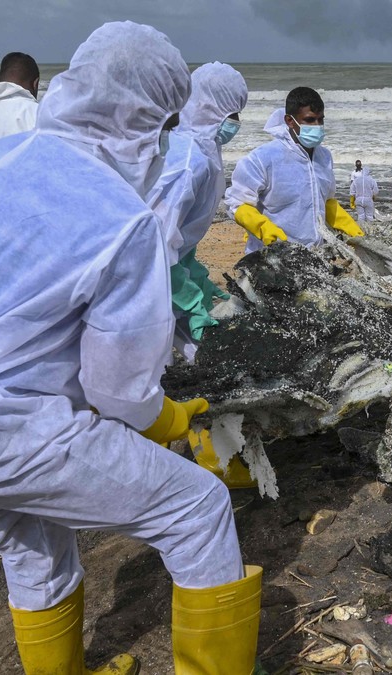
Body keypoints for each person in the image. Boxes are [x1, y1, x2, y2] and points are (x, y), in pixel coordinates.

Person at [0, 22, 259, 675]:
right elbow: (118, 392)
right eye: (164, 125)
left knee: (32, 543)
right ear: (145, 121)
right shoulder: (119, 216)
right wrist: (172, 419)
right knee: (196, 507)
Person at [146, 62, 255, 490]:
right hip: (151, 280)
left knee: (184, 364)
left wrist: (200, 281)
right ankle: (208, 462)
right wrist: (190, 302)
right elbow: (157, 242)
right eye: (232, 113)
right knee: (187, 365)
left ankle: (209, 456)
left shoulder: (203, 150)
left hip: (169, 273)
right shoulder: (188, 159)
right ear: (212, 108)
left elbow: (182, 243)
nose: (236, 123)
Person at [225, 86, 362, 253]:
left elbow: (325, 201)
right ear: (290, 121)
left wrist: (348, 225)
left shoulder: (324, 157)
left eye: (321, 119)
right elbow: (237, 204)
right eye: (310, 120)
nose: (317, 126)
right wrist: (264, 229)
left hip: (316, 255)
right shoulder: (262, 158)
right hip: (272, 256)